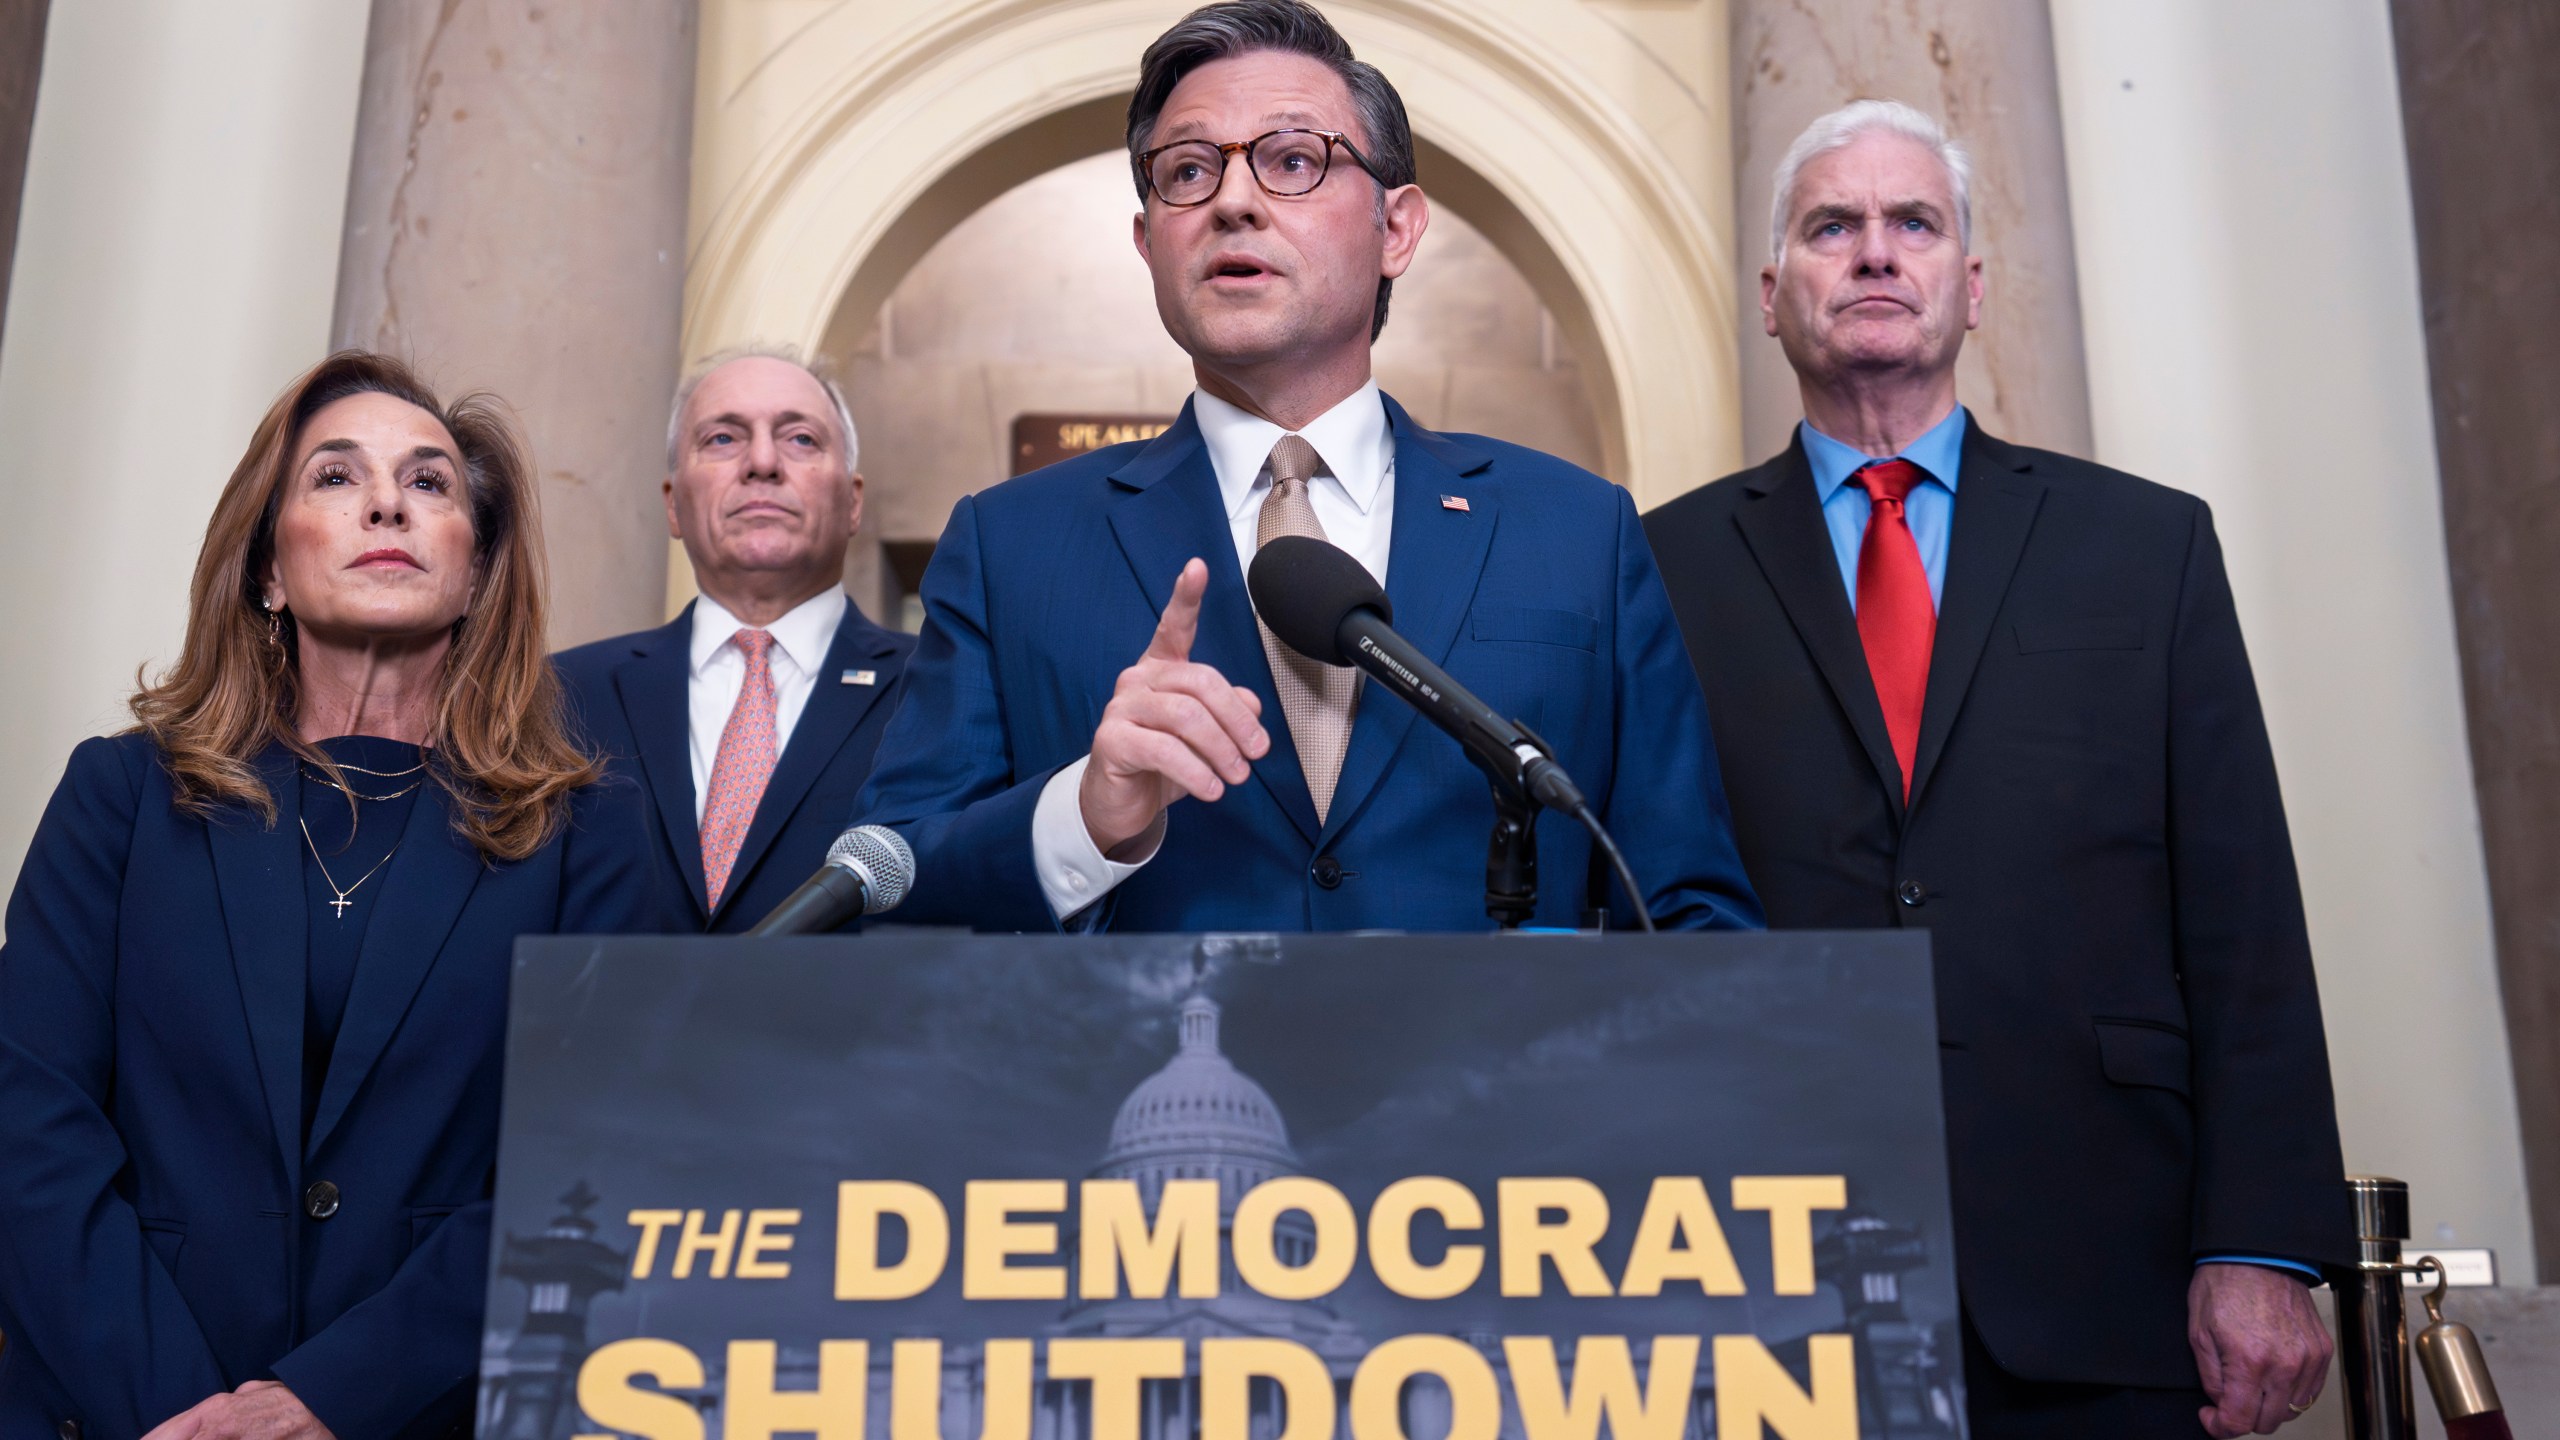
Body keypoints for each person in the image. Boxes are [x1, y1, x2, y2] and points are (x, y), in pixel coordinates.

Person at [1641, 101, 2350, 1437]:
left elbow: (2242, 910)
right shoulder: (1660, 567)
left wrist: (2263, 1240)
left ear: (1971, 282)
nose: (1874, 253)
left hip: (2110, 1275)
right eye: (1831, 226)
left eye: (1914, 223)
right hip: (1772, 1288)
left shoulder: (2145, 548)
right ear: (1773, 291)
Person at [856, 0, 1759, 934]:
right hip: (1154, 1078)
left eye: (1293, 161)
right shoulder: (1012, 545)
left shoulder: (1576, 531)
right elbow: (889, 886)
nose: (1232, 202)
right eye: (1189, 171)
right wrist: (1086, 817)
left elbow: (1690, 911)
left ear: (1397, 230)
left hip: (1500, 1076)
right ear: (1147, 245)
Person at [0, 352, 660, 1440]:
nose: (388, 501)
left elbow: (592, 1164)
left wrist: (330, 1399)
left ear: (477, 572)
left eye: (430, 482)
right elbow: (32, 1125)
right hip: (119, 1414)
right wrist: (180, 1411)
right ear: (267, 564)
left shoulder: (588, 832)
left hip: (432, 1413)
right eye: (336, 477)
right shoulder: (119, 797)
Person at [556, 349, 912, 932]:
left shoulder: (938, 691)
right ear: (673, 503)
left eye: (800, 439)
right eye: (723, 439)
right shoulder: (561, 695)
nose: (763, 462)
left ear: (853, 500)